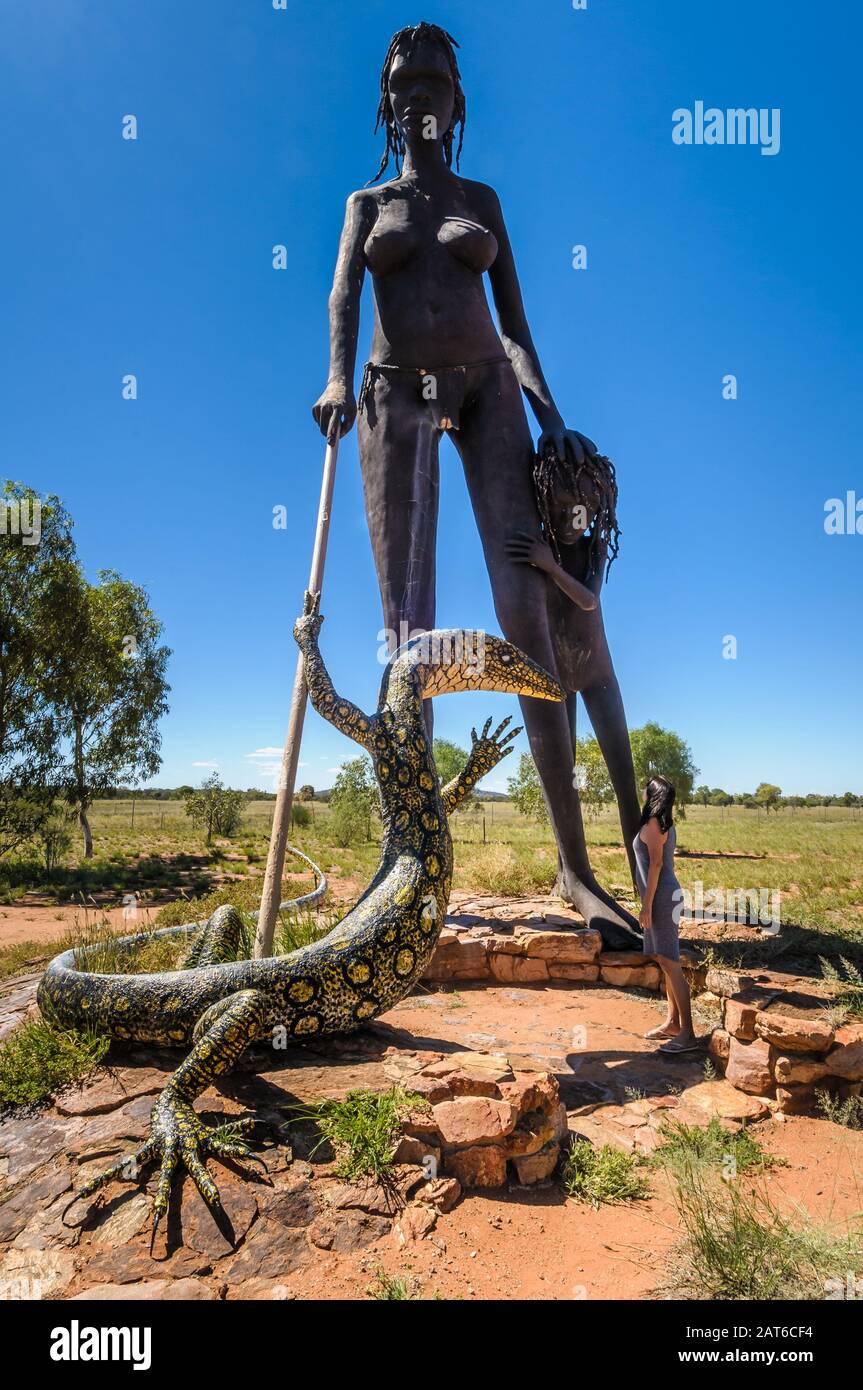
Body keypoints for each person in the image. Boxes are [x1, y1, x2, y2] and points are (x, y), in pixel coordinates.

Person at [311, 21, 639, 946]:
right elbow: (341, 296)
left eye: (435, 82)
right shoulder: (365, 202)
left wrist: (549, 414)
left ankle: (576, 869)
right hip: (389, 390)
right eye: (404, 82)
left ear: (458, 102)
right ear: (386, 101)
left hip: (488, 389)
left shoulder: (484, 201)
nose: (419, 94)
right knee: (405, 632)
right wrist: (336, 380)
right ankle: (403, 860)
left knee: (528, 620)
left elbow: (516, 323)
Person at [506, 447, 641, 888]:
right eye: (561, 509)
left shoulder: (593, 551)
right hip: (558, 682)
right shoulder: (541, 547)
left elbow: (589, 599)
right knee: (565, 784)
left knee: (626, 782)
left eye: (580, 511)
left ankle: (645, 880)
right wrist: (542, 560)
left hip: (598, 675)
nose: (570, 520)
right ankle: (569, 874)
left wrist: (547, 566)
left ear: (597, 510)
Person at [632, 776, 698, 1053]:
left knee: (671, 963)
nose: (642, 791)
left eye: (646, 788)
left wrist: (646, 905)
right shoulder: (663, 822)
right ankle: (672, 1022)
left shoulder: (654, 823)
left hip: (661, 899)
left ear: (652, 794)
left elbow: (656, 865)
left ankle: (688, 1034)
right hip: (660, 897)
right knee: (663, 960)